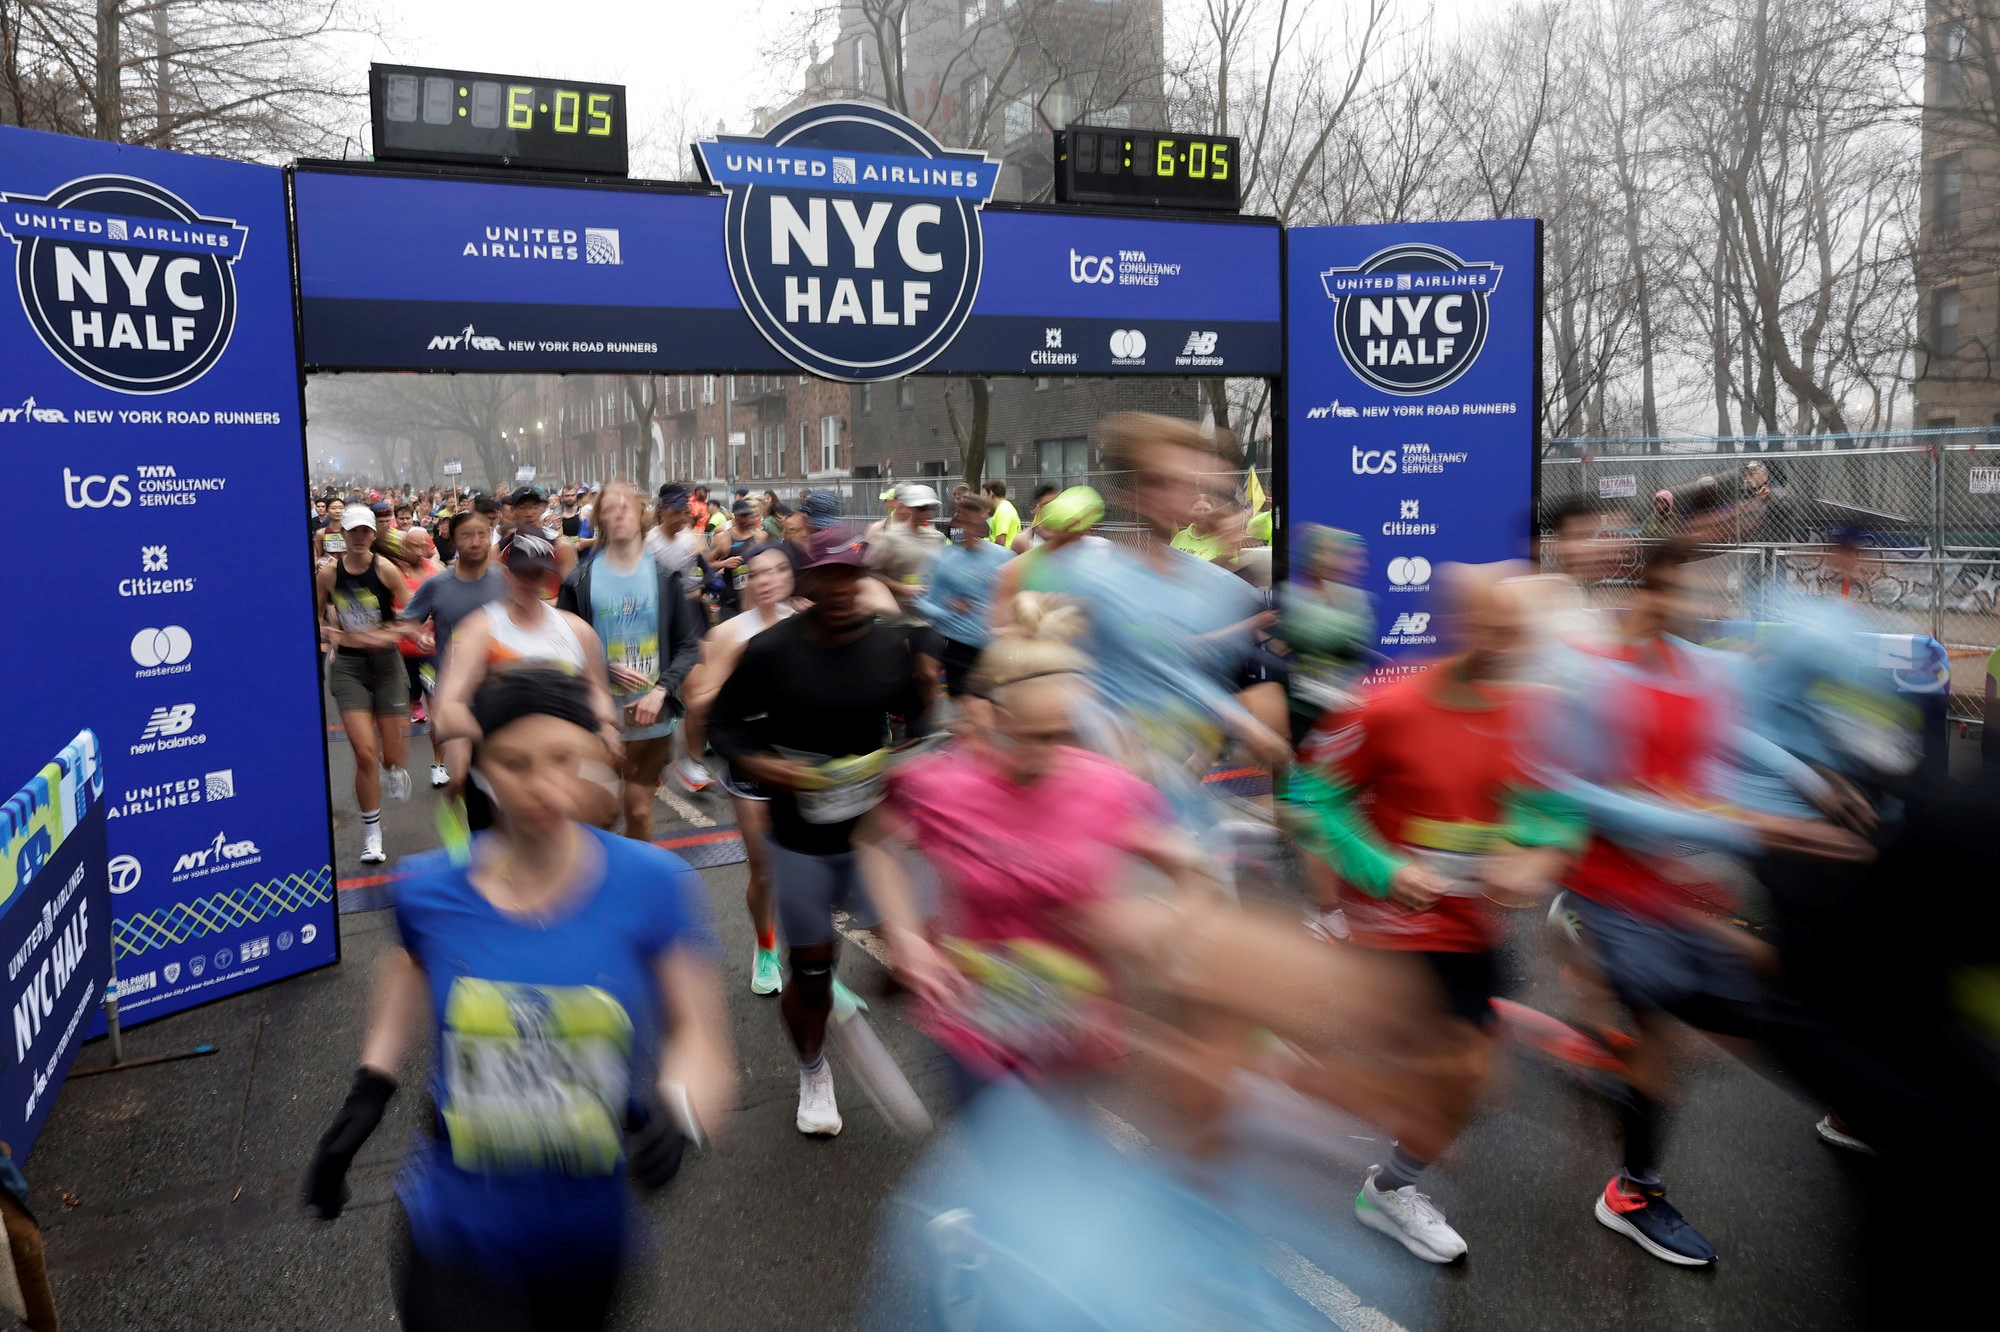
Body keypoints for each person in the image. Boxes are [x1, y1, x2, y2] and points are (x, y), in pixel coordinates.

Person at [302, 667, 737, 1331]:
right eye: (514, 762)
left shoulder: (651, 884)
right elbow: (410, 965)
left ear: (594, 758)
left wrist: (682, 1113)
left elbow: (700, 1037)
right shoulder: (429, 888)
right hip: (457, 1228)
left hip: (590, 1233)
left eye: (563, 759)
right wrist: (371, 1086)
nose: (539, 785)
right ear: (478, 767)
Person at [1532, 541, 1871, 1266]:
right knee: (1667, 1034)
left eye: (1711, 594)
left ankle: (1856, 1107)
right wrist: (1750, 824)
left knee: (1765, 1010)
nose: (1704, 607)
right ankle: (1633, 1191)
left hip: (1668, 889)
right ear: (1648, 595)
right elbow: (1601, 805)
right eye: (1688, 592)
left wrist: (1812, 783)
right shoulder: (1598, 682)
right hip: (1612, 888)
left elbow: (1733, 735)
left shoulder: (1701, 668)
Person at [1286, 568, 1576, 1263]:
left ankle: (1388, 1187)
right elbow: (1310, 796)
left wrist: (1532, 859)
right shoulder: (1388, 705)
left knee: (1471, 1082)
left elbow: (1556, 813)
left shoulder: (1533, 713)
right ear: (1458, 623)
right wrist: (1385, 871)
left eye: (1517, 633)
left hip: (1468, 929)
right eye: (1490, 627)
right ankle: (1275, 1074)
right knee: (1449, 1079)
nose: (1504, 645)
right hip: (1390, 933)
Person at [707, 528, 931, 1136]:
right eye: (825, 578)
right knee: (809, 974)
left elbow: (923, 717)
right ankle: (813, 1070)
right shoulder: (772, 651)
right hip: (800, 841)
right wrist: (765, 765)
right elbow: (725, 729)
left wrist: (911, 756)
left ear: (863, 581)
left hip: (872, 839)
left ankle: (915, 1020)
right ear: (807, 585)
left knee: (921, 946)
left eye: (849, 577)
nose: (838, 590)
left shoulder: (891, 647)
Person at [678, 543, 799, 995]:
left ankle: (812, 958)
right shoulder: (729, 633)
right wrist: (735, 664)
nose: (768, 579)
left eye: (779, 570)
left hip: (803, 754)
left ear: (791, 576)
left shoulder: (808, 622)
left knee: (812, 863)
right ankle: (765, 946)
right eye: (759, 572)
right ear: (749, 580)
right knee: (765, 867)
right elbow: (698, 702)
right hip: (751, 754)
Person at [558, 481, 704, 843]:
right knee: (598, 813)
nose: (620, 511)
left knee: (638, 812)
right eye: (610, 506)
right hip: (596, 718)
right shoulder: (580, 580)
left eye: (627, 505)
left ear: (642, 514)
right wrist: (602, 668)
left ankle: (636, 886)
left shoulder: (664, 578)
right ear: (600, 519)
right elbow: (561, 645)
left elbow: (688, 645)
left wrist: (662, 689)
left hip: (650, 720)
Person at [433, 531, 620, 805]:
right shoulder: (479, 629)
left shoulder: (577, 629)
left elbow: (597, 691)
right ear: (505, 573)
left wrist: (607, 727)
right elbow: (450, 702)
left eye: (537, 574)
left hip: (564, 774)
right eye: (521, 573)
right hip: (502, 777)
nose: (529, 582)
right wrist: (464, 751)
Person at [317, 504, 415, 865]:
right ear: (342, 534)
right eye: (352, 531)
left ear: (374, 535)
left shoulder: (385, 570)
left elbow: (414, 615)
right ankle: (372, 835)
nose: (359, 537)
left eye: (365, 531)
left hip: (387, 666)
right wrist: (328, 637)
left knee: (391, 756)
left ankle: (394, 769)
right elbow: (318, 614)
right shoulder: (328, 575)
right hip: (349, 670)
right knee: (364, 753)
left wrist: (383, 633)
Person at [399, 500, 507, 789]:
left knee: (498, 777)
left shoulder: (505, 581)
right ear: (452, 539)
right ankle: (466, 823)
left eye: (482, 534)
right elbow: (408, 621)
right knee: (466, 778)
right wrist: (419, 635)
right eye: (466, 536)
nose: (475, 542)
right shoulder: (437, 584)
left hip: (500, 691)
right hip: (456, 694)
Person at [1280, 525, 1375, 748]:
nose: (1360, 564)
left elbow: (1353, 647)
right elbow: (1318, 638)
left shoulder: (1358, 599)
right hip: (1303, 711)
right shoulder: (1290, 598)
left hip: (1346, 713)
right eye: (1350, 556)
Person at [917, 494, 1013, 699]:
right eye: (966, 521)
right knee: (965, 709)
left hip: (996, 649)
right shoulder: (944, 559)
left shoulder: (1004, 557)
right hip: (959, 648)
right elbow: (923, 601)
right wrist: (947, 607)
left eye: (977, 522)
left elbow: (1016, 596)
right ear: (958, 521)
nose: (971, 528)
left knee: (996, 708)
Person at [866, 483, 948, 616]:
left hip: (928, 617)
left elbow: (942, 572)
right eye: (921, 508)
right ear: (909, 508)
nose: (926, 513)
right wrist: (901, 588)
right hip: (896, 619)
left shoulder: (937, 538)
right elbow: (870, 572)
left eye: (929, 508)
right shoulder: (888, 537)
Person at [707, 498, 765, 621]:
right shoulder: (723, 537)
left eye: (748, 515)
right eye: (742, 516)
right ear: (735, 516)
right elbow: (707, 563)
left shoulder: (760, 536)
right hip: (730, 602)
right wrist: (724, 563)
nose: (746, 519)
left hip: (755, 599)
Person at [645, 486, 705, 586]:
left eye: (683, 513)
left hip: (687, 601)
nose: (681, 518)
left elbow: (708, 573)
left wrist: (700, 588)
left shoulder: (689, 538)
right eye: (675, 513)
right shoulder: (649, 542)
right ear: (663, 512)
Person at [1011, 484, 1061, 554]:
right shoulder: (1023, 541)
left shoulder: (1071, 536)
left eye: (1056, 503)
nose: (1052, 508)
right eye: (1047, 504)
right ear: (1036, 507)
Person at [983, 480, 1022, 549]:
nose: (984, 499)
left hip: (1004, 556)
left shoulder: (1003, 511)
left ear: (991, 494)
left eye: (984, 495)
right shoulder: (1006, 507)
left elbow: (1000, 541)